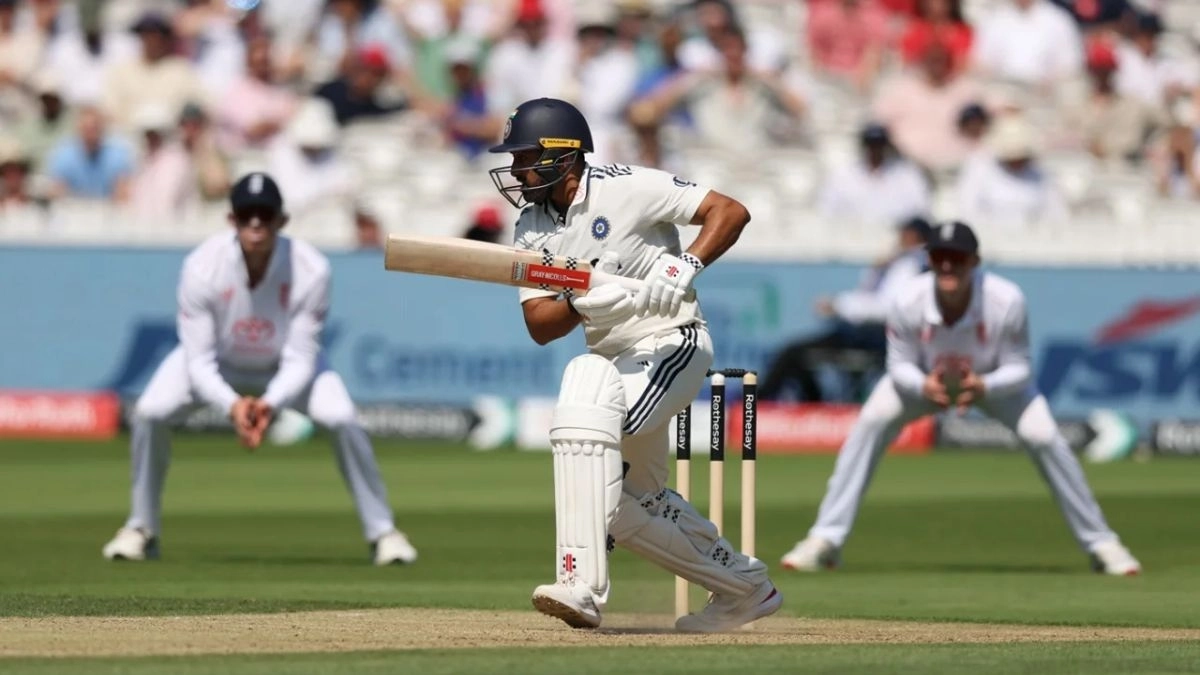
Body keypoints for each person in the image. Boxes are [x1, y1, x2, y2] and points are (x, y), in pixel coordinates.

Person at [489, 98, 781, 633]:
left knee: (585, 419)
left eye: (524, 157)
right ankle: (745, 589)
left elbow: (730, 211)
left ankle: (580, 585)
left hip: (672, 342)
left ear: (563, 156)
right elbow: (540, 323)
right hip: (613, 363)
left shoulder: (627, 186)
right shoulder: (531, 226)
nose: (515, 170)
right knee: (626, 504)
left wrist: (685, 264)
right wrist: (581, 303)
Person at [778, 221, 1142, 576]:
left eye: (957, 257)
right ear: (929, 260)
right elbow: (898, 365)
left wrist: (984, 386)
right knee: (872, 421)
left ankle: (1102, 544)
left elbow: (1020, 368)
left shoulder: (1006, 299)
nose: (948, 265)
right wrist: (924, 386)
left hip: (992, 382)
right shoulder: (907, 299)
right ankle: (825, 539)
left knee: (1044, 436)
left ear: (975, 261)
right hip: (923, 381)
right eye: (940, 257)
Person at [102, 172, 417, 567]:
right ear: (231, 219)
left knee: (341, 417)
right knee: (150, 412)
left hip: (282, 367)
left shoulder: (311, 268)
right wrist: (233, 405)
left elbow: (301, 358)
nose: (255, 223)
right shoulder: (201, 266)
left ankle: (383, 532)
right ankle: (140, 527)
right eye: (246, 214)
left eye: (264, 215)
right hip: (217, 363)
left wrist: (268, 404)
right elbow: (198, 360)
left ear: (281, 220)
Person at [759, 217, 932, 403]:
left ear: (914, 236)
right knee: (796, 356)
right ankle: (810, 406)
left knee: (793, 354)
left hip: (875, 338)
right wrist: (876, 271)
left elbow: (886, 308)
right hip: (863, 334)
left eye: (904, 234)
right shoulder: (898, 263)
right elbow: (867, 296)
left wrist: (839, 306)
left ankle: (755, 405)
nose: (899, 239)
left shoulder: (910, 265)